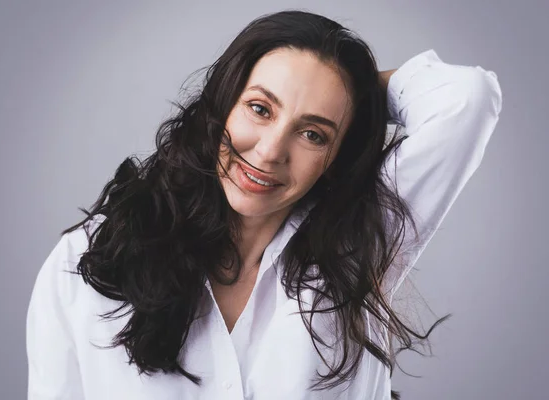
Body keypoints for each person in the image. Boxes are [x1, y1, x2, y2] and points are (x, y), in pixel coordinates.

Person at [25, 10, 502, 400]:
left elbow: (469, 100)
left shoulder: (357, 247)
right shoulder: (85, 262)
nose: (271, 150)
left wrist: (357, 95)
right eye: (260, 108)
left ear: (335, 160)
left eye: (313, 133)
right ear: (223, 103)